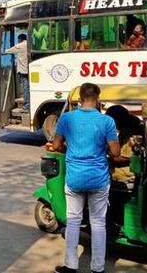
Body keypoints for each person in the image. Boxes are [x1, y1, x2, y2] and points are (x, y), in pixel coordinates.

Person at [51, 83, 121, 273]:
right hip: (98, 179)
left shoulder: (67, 118)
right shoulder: (107, 121)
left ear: (80, 99)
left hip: (74, 178)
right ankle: (97, 268)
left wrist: (71, 148)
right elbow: (115, 152)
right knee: (98, 223)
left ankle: (70, 266)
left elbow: (56, 145)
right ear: (97, 100)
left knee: (73, 221)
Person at [5, 33, 29, 110]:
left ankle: (26, 105)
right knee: (27, 87)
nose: (18, 41)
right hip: (29, 70)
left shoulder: (20, 46)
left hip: (24, 71)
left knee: (25, 87)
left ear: (20, 39)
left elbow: (8, 51)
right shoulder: (29, 44)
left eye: (18, 40)